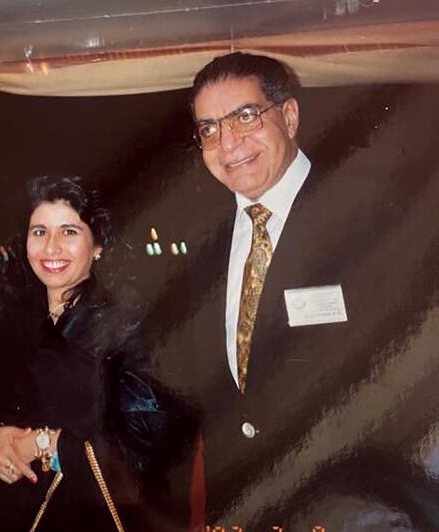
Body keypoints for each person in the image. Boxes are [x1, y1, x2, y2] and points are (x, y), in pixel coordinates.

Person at [155, 51, 439, 530]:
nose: (229, 143)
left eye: (245, 117)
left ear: (288, 116)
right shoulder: (203, 246)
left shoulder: (371, 214)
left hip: (356, 508)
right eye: (209, 129)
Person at [0, 176, 185, 531]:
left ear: (98, 244)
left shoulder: (129, 325)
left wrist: (50, 446)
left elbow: (148, 434)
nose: (51, 248)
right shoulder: (9, 321)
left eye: (69, 232)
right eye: (39, 232)